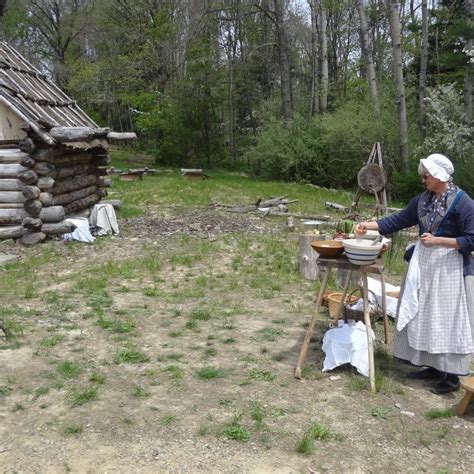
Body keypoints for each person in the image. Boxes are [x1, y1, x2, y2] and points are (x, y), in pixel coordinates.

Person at [355, 153, 474, 394]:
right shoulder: (423, 200)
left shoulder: (463, 203)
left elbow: (472, 239)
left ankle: (450, 377)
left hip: (449, 269)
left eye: (427, 175)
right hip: (425, 266)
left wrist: (438, 240)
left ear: (440, 176)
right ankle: (431, 366)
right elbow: (398, 220)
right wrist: (367, 225)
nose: (423, 180)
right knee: (424, 315)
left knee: (445, 320)